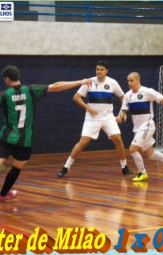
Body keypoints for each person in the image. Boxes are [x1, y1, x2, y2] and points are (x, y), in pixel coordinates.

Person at [0, 65, 93, 202]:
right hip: (25, 141)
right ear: (19, 77)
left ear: (6, 79)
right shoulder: (31, 90)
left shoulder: (4, 95)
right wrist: (80, 82)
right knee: (17, 168)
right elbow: (57, 86)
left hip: (7, 137)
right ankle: (3, 195)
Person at [57, 60, 132, 178]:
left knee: (117, 138)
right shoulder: (89, 82)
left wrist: (123, 111)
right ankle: (66, 167)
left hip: (108, 117)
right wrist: (88, 108)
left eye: (101, 69)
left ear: (106, 71)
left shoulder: (112, 82)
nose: (99, 71)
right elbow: (76, 97)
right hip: (92, 117)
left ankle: (124, 167)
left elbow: (122, 96)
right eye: (97, 69)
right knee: (83, 142)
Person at [118, 72, 163, 182]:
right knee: (149, 153)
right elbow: (124, 109)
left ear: (138, 80)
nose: (129, 83)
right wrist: (121, 115)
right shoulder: (127, 95)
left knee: (132, 149)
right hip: (137, 128)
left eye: (131, 80)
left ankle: (142, 172)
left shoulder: (147, 91)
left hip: (147, 126)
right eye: (128, 81)